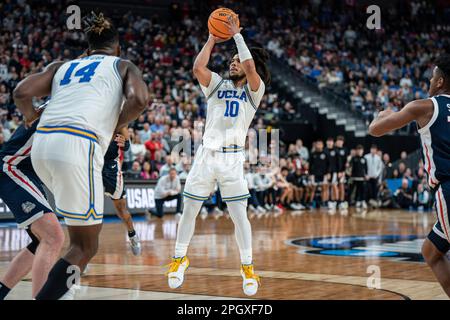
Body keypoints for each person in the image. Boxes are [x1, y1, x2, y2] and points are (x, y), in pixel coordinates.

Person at [14, 12, 149, 299]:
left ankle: (65, 292)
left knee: (69, 237)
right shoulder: (123, 65)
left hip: (42, 148)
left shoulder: (62, 66)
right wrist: (116, 123)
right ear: (118, 48)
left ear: (87, 50)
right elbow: (140, 100)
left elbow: (22, 93)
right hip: (78, 145)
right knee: (85, 247)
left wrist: (29, 118)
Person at [166, 16, 270, 296]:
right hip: (205, 156)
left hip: (232, 160)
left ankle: (247, 267)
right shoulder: (217, 84)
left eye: (236, 60)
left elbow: (249, 66)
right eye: (232, 60)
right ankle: (179, 259)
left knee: (239, 216)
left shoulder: (254, 91)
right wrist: (213, 37)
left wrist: (237, 36)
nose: (232, 63)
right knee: (188, 211)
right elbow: (198, 67)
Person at [368, 54, 450, 297]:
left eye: (432, 75)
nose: (429, 80)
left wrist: (381, 114)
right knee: (431, 251)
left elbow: (376, 130)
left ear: (439, 81)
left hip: (448, 190)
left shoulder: (424, 106)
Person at [0, 111, 65, 300]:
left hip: (28, 171)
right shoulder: (65, 106)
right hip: (12, 166)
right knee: (53, 237)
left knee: (42, 241)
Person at [102, 128, 141, 256]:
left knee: (121, 210)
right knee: (86, 208)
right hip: (92, 164)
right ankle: (82, 252)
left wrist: (126, 142)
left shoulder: (119, 120)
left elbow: (127, 146)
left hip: (111, 168)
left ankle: (132, 235)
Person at [349, 145, 368, 209]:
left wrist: (366, 175)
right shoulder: (353, 158)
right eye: (358, 150)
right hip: (354, 177)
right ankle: (353, 201)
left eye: (361, 150)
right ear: (356, 151)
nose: (360, 151)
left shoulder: (364, 159)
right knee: (353, 190)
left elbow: (366, 168)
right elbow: (350, 167)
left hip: (361, 178)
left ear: (362, 151)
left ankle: (362, 201)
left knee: (362, 190)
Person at [335, 136, 349, 210]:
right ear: (336, 141)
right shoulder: (334, 149)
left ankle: (341, 201)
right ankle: (335, 201)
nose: (340, 142)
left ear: (343, 142)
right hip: (334, 171)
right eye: (338, 141)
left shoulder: (344, 150)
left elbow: (345, 162)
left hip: (342, 172)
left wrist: (343, 171)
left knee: (341, 186)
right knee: (334, 187)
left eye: (341, 141)